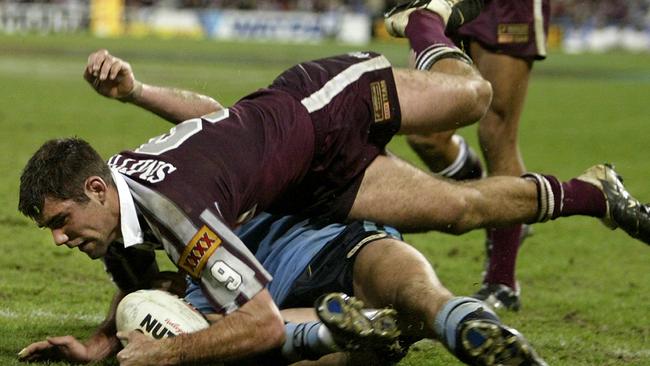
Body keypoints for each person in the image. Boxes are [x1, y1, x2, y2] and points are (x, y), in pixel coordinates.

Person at [17, 0, 650, 363]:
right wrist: (103, 341)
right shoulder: (125, 192)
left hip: (324, 104)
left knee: (475, 98)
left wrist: (167, 353)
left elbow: (259, 324)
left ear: (95, 190)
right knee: (458, 211)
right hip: (313, 183)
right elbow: (215, 120)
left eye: (61, 222)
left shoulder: (174, 208)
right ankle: (597, 192)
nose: (60, 240)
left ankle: (427, 19)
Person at [386, 0, 551, 310]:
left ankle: (501, 281)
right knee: (426, 136)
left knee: (497, 132)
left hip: (505, 8)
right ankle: (501, 205)